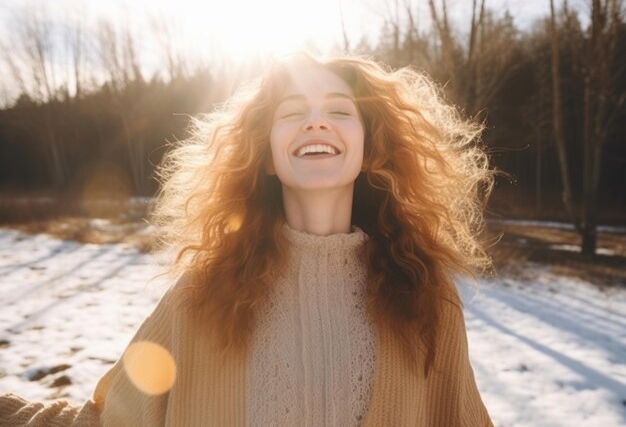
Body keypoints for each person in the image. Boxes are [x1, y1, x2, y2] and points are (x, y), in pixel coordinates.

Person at [0, 53, 494, 426]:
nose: (316, 121)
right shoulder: (203, 295)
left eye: (341, 112)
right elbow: (105, 423)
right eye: (292, 111)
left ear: (369, 150)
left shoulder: (424, 299)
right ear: (267, 156)